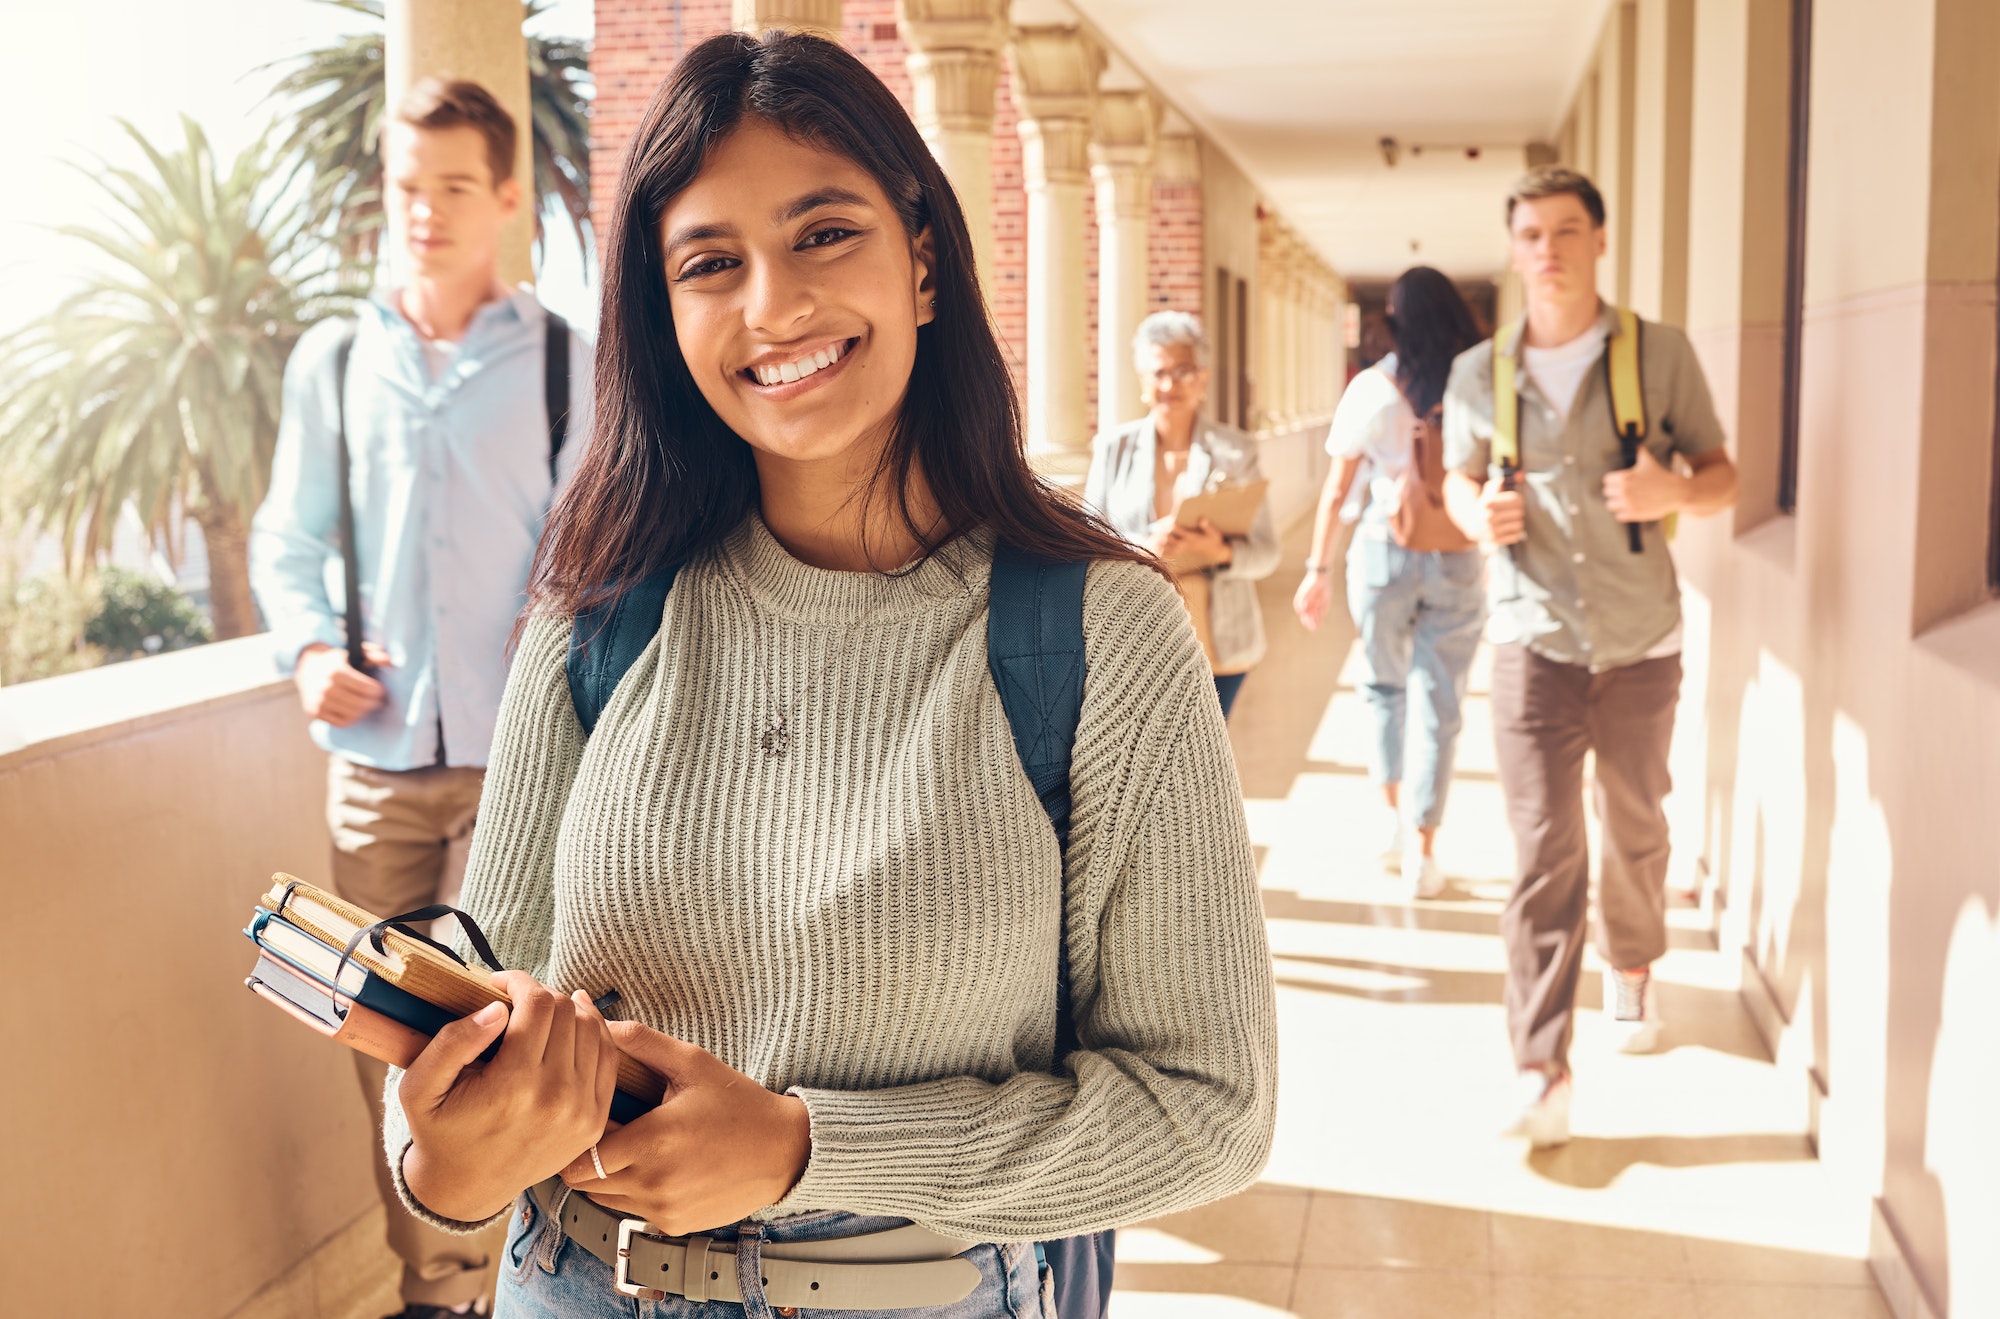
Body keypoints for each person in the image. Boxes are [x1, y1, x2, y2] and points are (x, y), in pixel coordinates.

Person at [371, 31, 1278, 1319]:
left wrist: (806, 1145)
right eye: (709, 264)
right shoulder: (597, 614)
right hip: (568, 1281)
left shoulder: (1098, 633)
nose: (771, 306)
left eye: (822, 234)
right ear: (664, 311)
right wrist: (449, 1162)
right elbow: (493, 1007)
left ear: (920, 259)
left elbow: (1209, 1110)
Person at [250, 79, 593, 1319]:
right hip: (375, 762)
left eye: (455, 186)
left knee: (506, 1033)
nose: (427, 212)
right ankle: (438, 1288)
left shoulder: (565, 358)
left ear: (505, 197)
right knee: (382, 1037)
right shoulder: (334, 361)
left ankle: (529, 1275)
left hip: (522, 764)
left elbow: (591, 548)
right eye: (407, 188)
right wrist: (302, 652)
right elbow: (287, 540)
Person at [1440, 167, 1738, 1148]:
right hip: (1532, 639)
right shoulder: (1479, 372)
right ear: (1514, 249)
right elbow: (1455, 477)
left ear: (1597, 242)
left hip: (1639, 639)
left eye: (1566, 231)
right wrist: (1470, 511)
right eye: (1530, 234)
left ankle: (1635, 958)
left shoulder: (1656, 355)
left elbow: (1720, 472)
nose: (1548, 250)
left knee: (1633, 822)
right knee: (1541, 849)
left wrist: (1672, 494)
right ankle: (1540, 1067)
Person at [1293, 267, 1486, 899]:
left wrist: (1317, 569)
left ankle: (1390, 819)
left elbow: (1336, 491)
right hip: (1457, 552)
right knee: (1441, 703)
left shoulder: (1372, 389)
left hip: (1382, 554)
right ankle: (1425, 854)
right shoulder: (1473, 383)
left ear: (1396, 319)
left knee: (1382, 687)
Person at [1083, 311, 1281, 720]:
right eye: (1159, 373)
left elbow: (1267, 554)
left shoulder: (1237, 451)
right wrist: (1143, 548)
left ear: (1203, 378)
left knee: (1208, 765)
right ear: (1143, 381)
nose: (1170, 384)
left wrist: (1219, 551)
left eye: (1184, 371)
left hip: (1219, 639)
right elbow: (1086, 544)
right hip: (1134, 638)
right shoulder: (1112, 449)